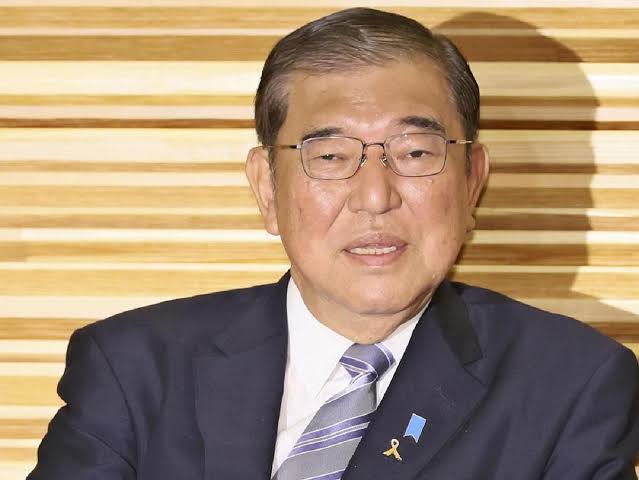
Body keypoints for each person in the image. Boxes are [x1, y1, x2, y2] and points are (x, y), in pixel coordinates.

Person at [28, 8, 639, 480]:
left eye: (415, 153)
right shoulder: (133, 369)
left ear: (472, 179)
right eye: (329, 157)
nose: (374, 197)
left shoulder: (571, 384)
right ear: (267, 188)